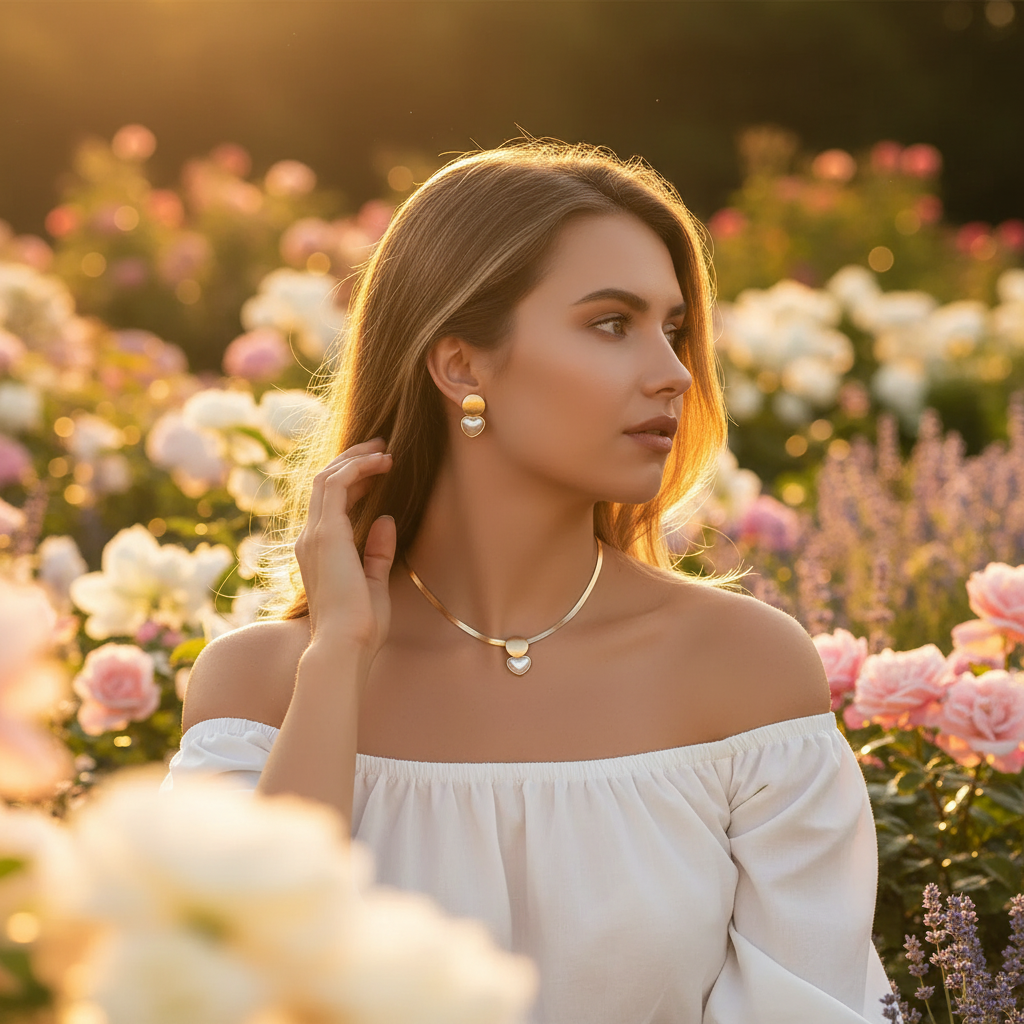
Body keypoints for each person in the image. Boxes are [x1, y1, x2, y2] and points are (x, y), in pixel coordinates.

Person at [161, 140, 897, 1023]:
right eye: (611, 323)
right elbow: (219, 994)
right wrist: (336, 666)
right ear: (461, 364)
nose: (673, 373)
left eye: (672, 329)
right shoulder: (260, 688)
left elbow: (812, 1005)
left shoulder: (744, 673)